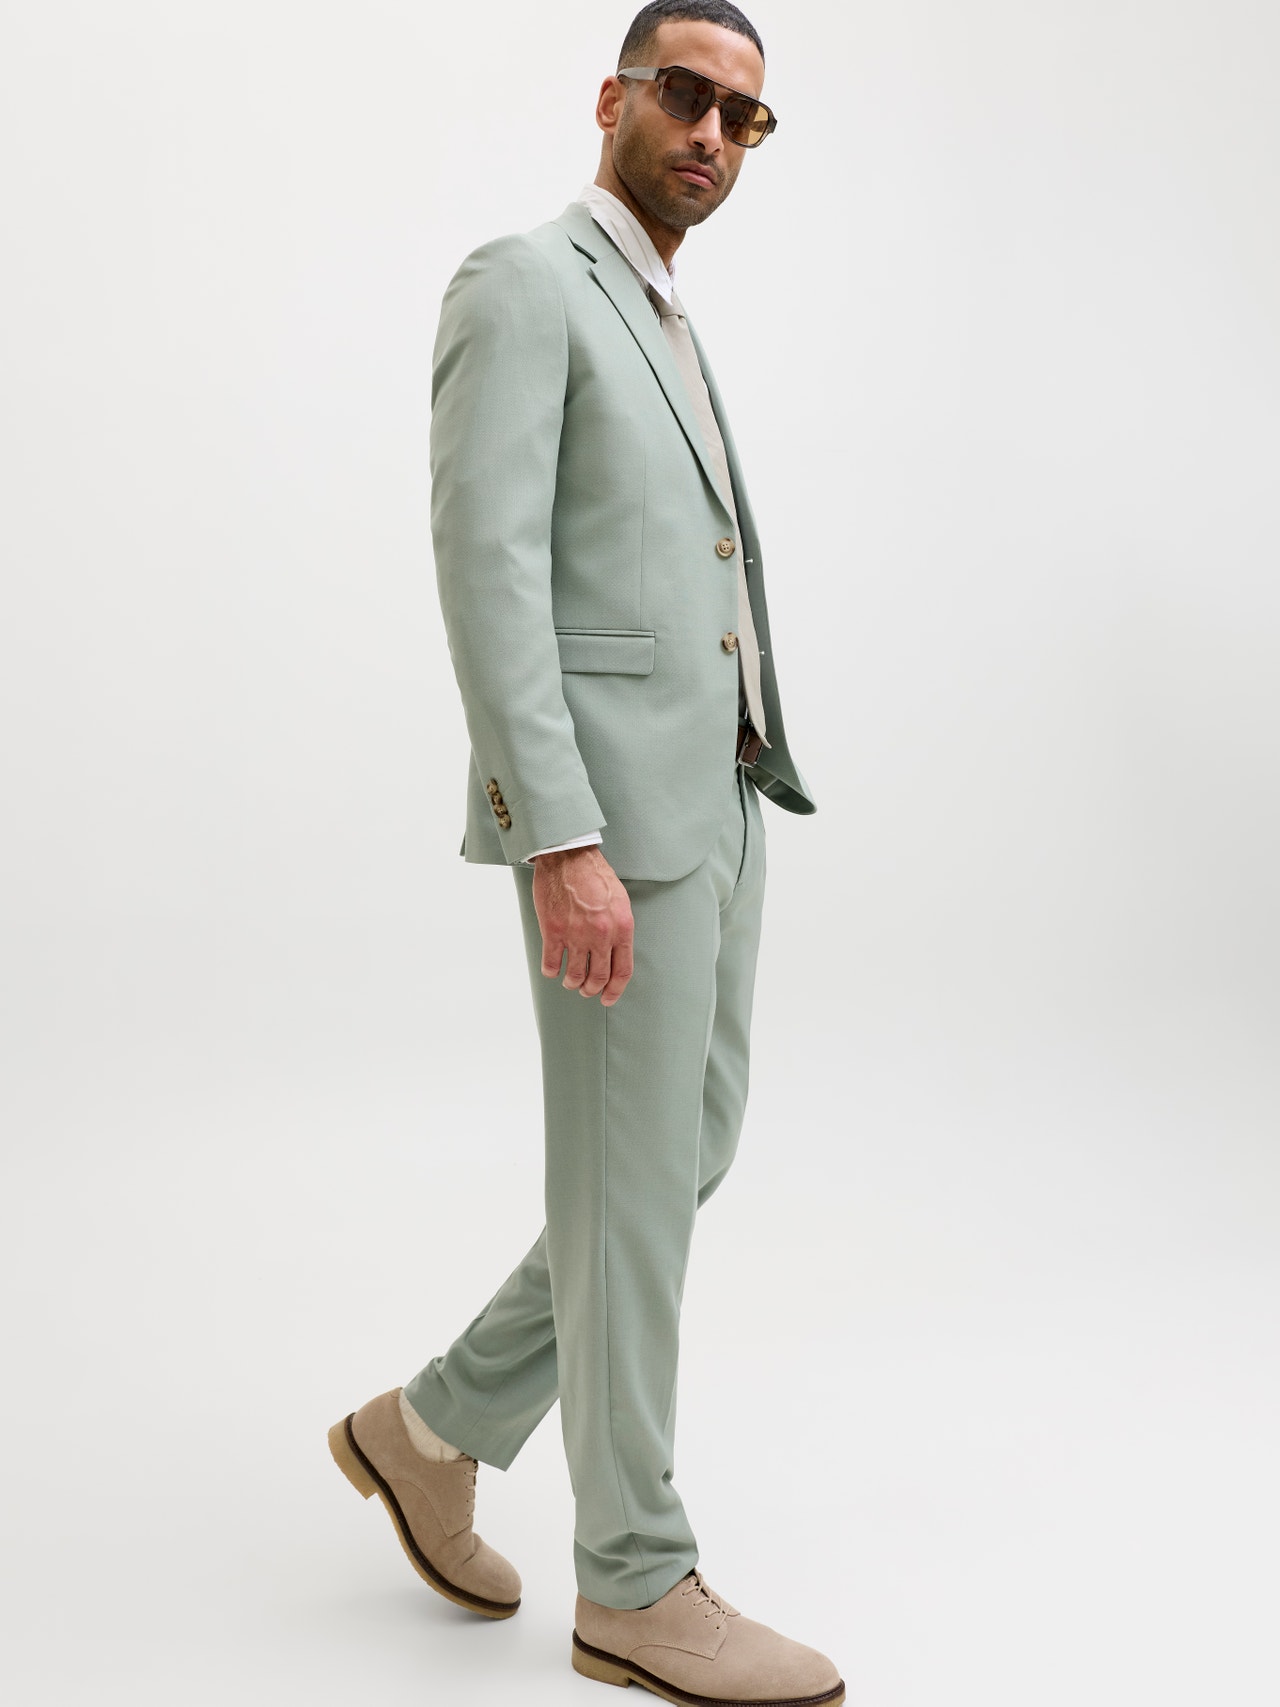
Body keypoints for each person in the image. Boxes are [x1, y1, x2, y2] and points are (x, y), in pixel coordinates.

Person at [328, 4, 843, 1701]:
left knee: (681, 1154)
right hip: (609, 825)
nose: (712, 133)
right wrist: (560, 837)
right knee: (630, 1190)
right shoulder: (524, 283)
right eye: (686, 94)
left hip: (720, 804)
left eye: (744, 117)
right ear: (613, 96)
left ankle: (431, 1432)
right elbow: (486, 569)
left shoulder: (665, 309)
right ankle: (632, 1578)